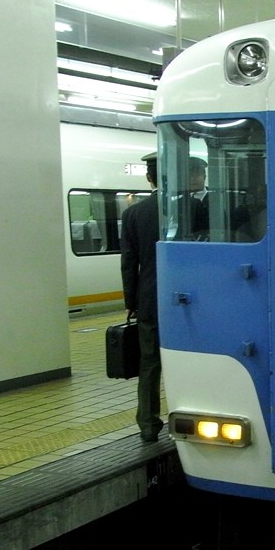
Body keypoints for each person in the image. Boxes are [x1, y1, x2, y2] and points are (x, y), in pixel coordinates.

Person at [120, 152, 162, 442]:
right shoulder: (193, 209)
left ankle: (148, 424)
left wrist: (131, 302)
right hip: (193, 302)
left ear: (149, 177)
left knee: (149, 363)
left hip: (149, 301)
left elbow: (128, 262)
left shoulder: (133, 214)